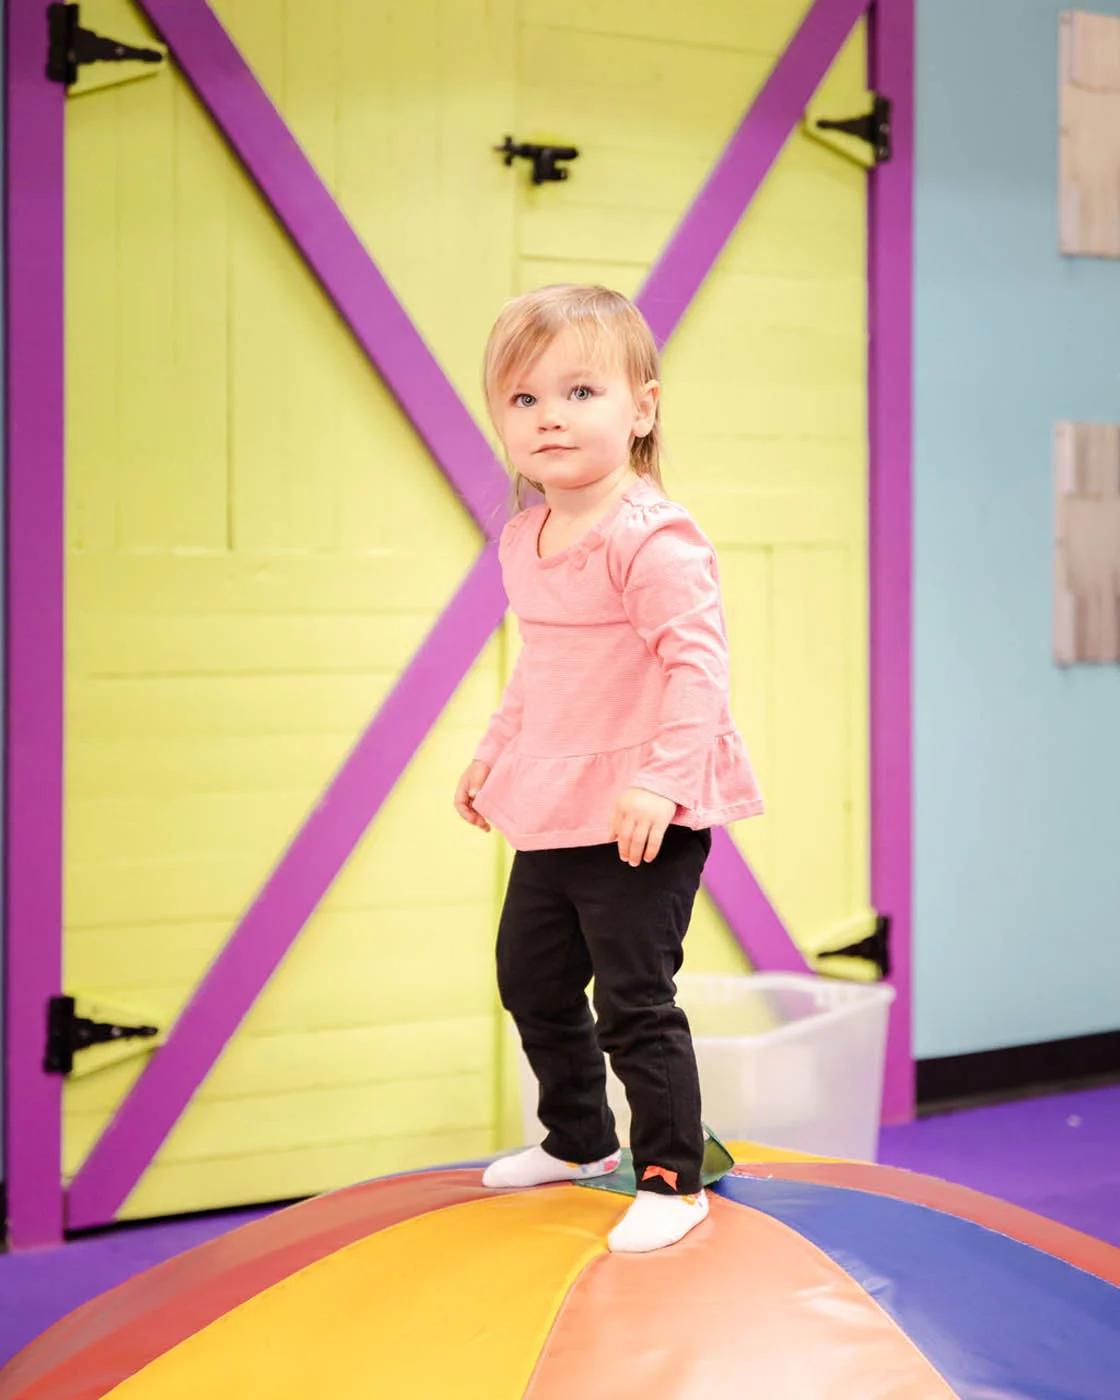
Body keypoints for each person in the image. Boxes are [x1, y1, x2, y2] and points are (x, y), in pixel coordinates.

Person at [453, 284, 763, 1254]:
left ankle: (671, 1173)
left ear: (641, 409)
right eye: (523, 398)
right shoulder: (522, 538)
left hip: (642, 810)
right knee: (531, 980)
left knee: (634, 997)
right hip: (554, 803)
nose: (549, 416)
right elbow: (542, 669)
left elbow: (696, 666)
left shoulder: (650, 535)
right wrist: (493, 750)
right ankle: (578, 1139)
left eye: (580, 391)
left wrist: (660, 780)